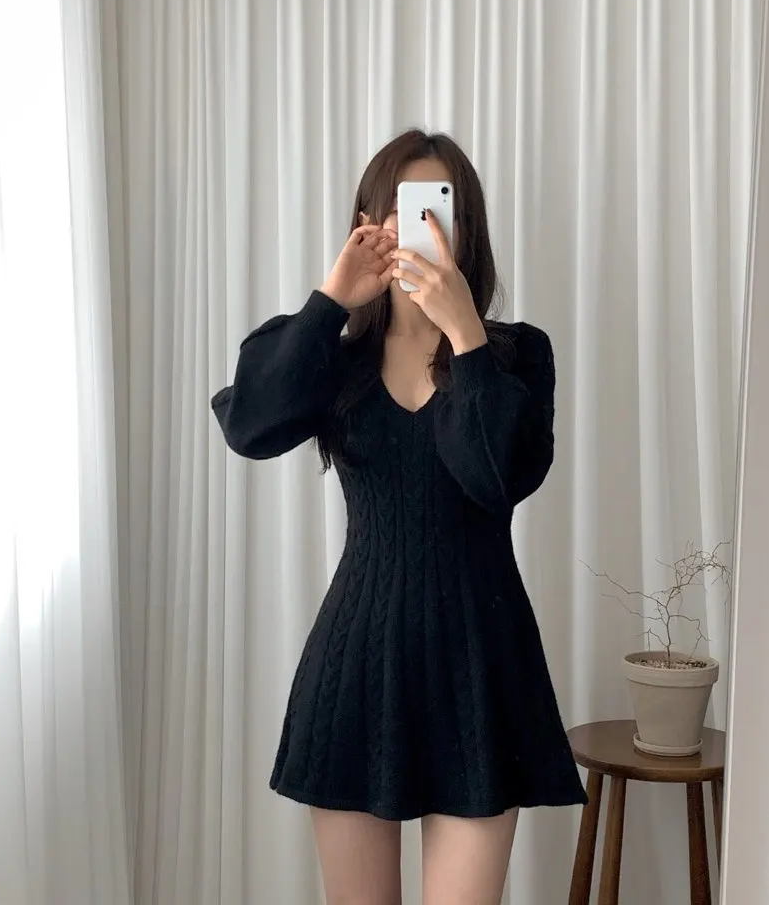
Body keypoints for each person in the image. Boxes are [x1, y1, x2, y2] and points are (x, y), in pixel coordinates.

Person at [211, 129, 585, 904]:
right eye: (401, 209)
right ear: (367, 224)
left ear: (467, 229)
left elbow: (495, 479)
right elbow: (249, 426)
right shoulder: (335, 359)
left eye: (440, 210)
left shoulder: (517, 356)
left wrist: (465, 334)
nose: (421, 228)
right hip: (358, 665)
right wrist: (329, 302)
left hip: (481, 667)